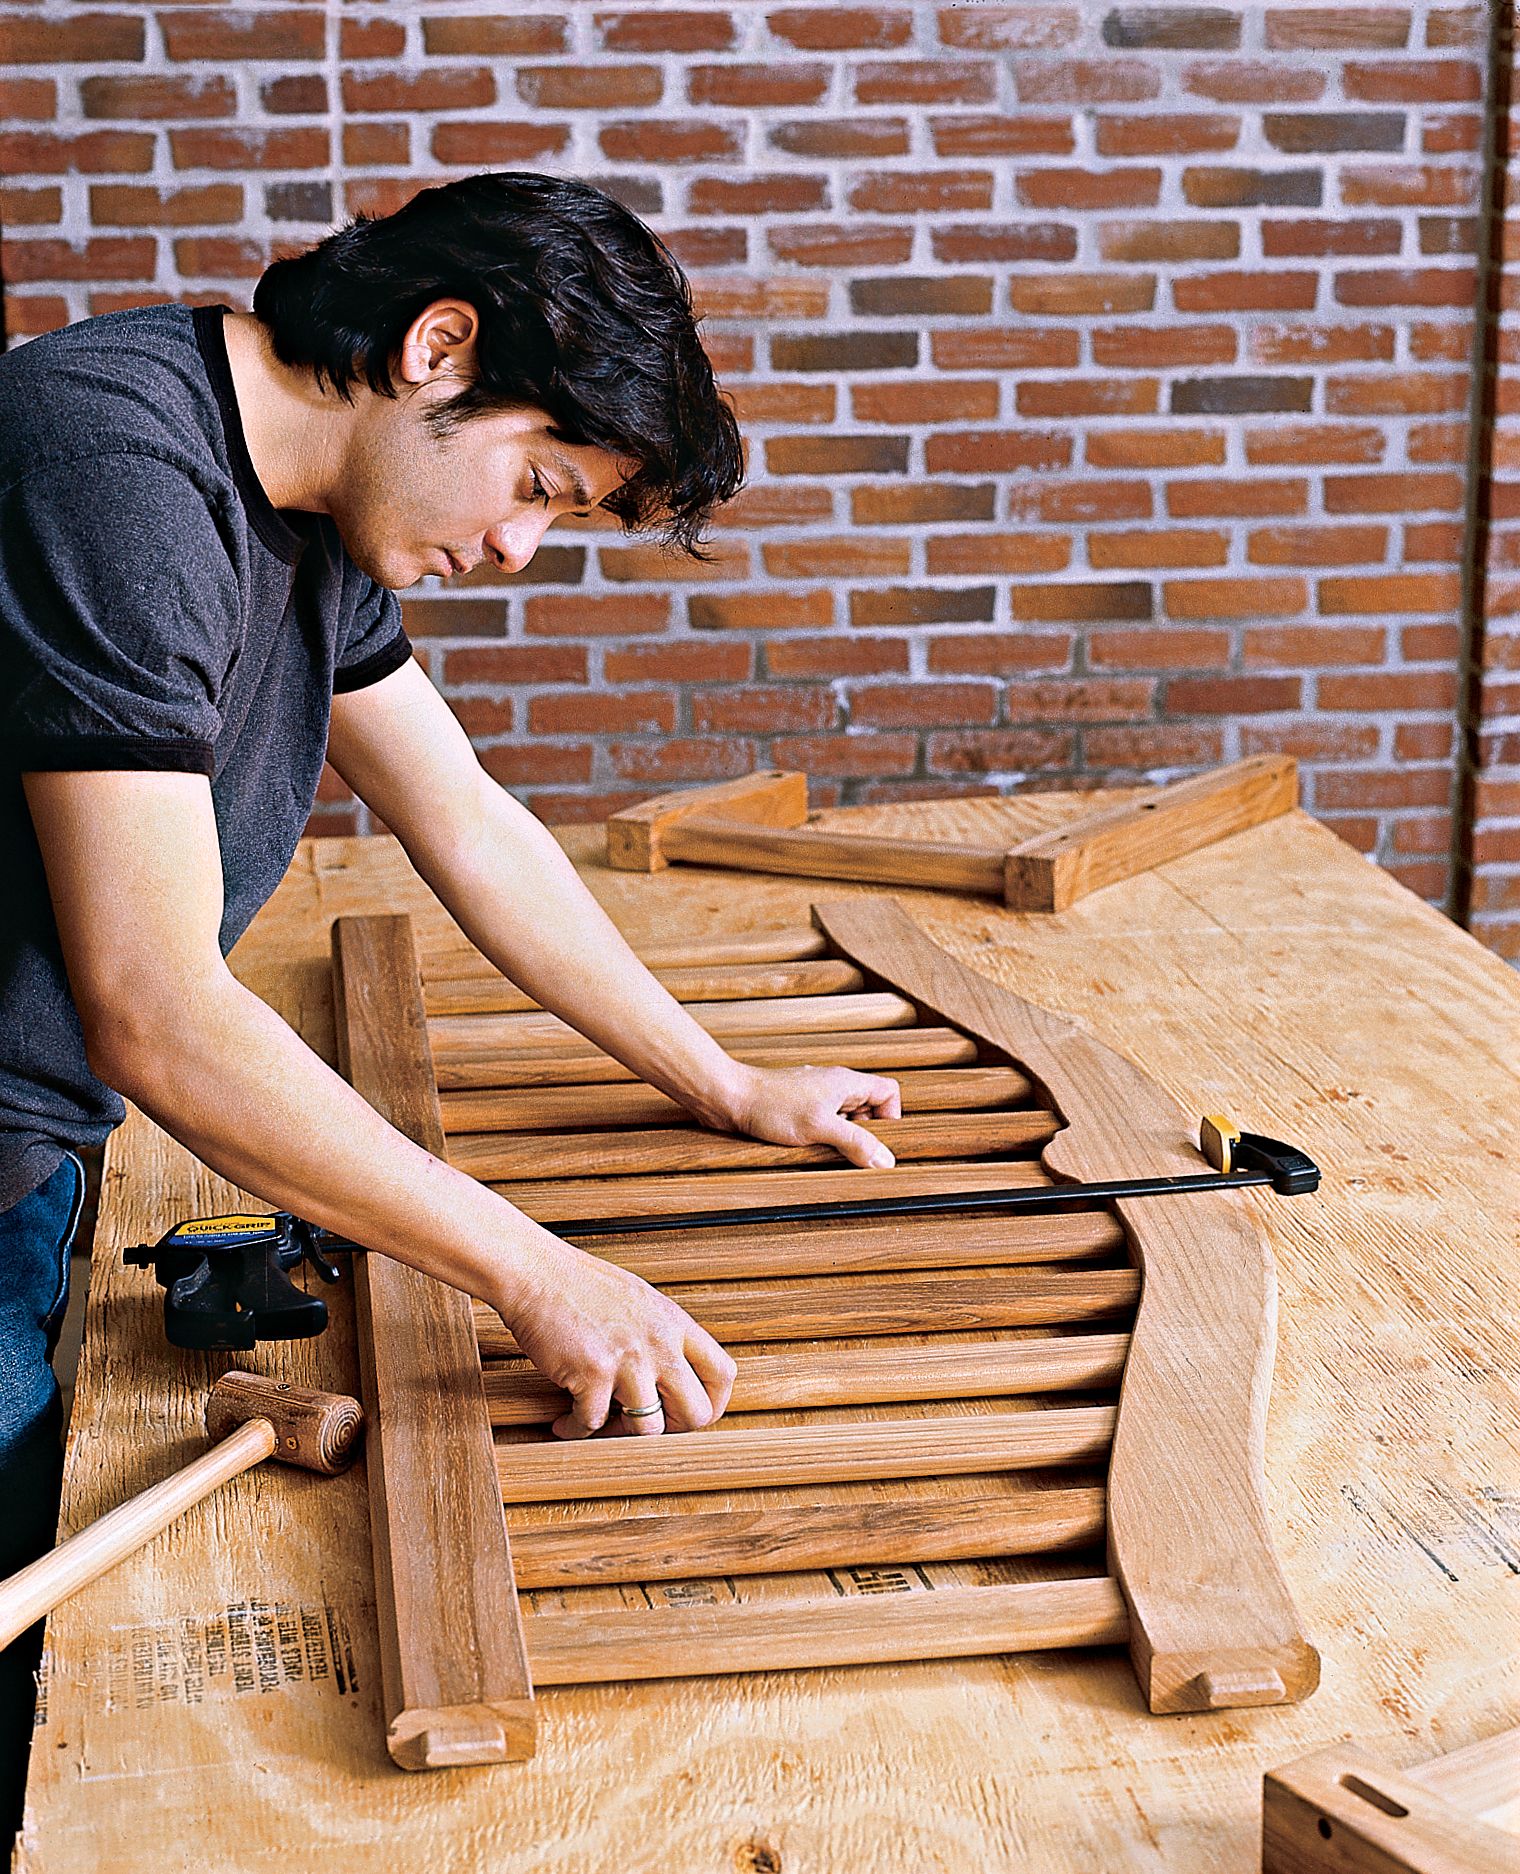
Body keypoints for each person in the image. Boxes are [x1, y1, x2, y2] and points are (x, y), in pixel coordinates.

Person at [0, 169, 901, 1830]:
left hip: (35, 1154)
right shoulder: (115, 467)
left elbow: (472, 823)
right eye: (539, 484)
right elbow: (154, 1004)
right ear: (435, 346)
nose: (514, 545)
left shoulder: (317, 515)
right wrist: (531, 1269)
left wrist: (725, 1080)